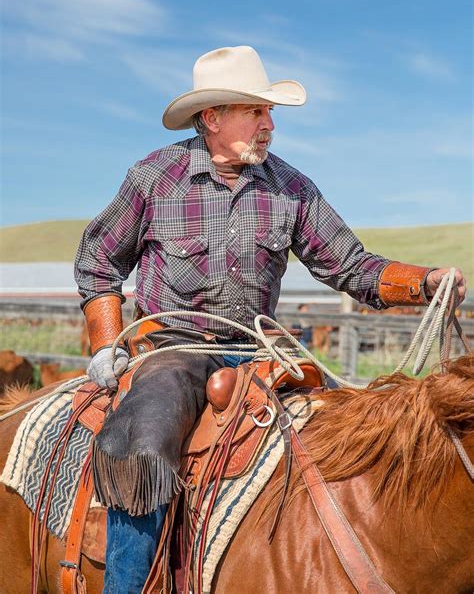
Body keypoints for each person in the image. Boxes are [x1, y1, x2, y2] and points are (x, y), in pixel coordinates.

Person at [74, 45, 466, 592]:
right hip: (173, 349)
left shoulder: (292, 188)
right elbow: (99, 259)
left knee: (355, 430)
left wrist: (424, 282)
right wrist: (108, 344)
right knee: (143, 442)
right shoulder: (154, 179)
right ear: (211, 118)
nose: (269, 125)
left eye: (269, 112)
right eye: (255, 111)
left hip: (261, 352)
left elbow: (350, 265)